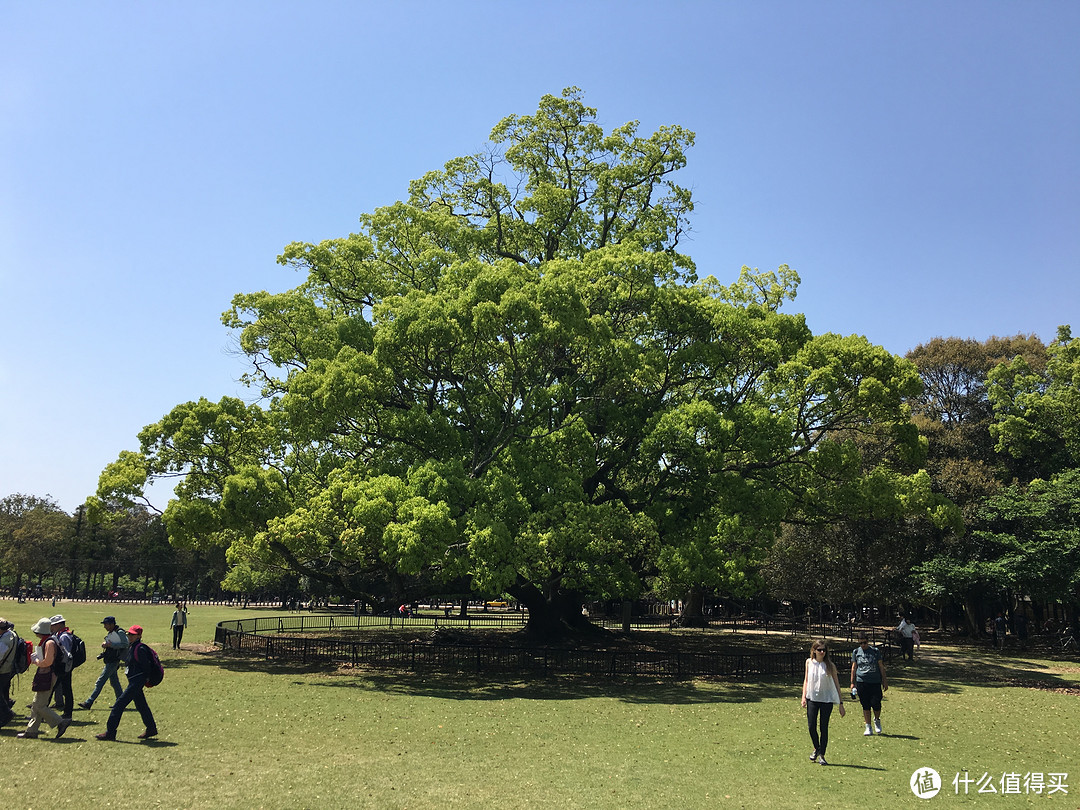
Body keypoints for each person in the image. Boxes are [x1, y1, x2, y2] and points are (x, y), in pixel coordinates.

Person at [96, 624, 157, 741]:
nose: (130, 636)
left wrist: (144, 679)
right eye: (129, 634)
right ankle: (151, 728)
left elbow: (146, 667)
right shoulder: (132, 646)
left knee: (118, 705)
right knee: (141, 705)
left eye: (133, 634)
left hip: (136, 681)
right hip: (135, 681)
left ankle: (110, 732)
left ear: (139, 636)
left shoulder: (140, 648)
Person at [18, 617, 71, 739]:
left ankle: (61, 722)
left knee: (39, 705)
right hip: (46, 674)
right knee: (36, 704)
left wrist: (35, 661)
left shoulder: (49, 643)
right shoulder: (49, 640)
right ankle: (31, 731)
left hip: (47, 675)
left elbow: (48, 661)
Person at [801, 640, 846, 766]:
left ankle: (822, 755)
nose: (822, 652)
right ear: (814, 650)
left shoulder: (830, 666)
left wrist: (841, 704)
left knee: (823, 727)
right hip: (812, 699)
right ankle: (816, 748)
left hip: (826, 700)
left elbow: (837, 685)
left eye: (824, 650)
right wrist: (803, 696)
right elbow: (806, 680)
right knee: (811, 726)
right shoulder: (809, 663)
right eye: (819, 650)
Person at [78, 616, 128, 709]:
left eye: (106, 624)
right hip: (110, 659)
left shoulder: (120, 632)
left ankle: (89, 702)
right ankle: (121, 703)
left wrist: (111, 645)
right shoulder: (112, 632)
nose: (104, 626)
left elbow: (125, 644)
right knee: (115, 683)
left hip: (114, 660)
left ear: (112, 624)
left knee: (100, 682)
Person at [850, 631, 888, 736]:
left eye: (865, 642)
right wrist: (852, 683)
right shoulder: (856, 652)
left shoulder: (875, 651)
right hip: (861, 681)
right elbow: (854, 667)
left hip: (875, 681)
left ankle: (877, 720)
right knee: (865, 704)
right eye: (861, 643)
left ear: (868, 641)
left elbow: (881, 666)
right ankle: (868, 726)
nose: (863, 645)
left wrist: (884, 680)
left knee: (876, 703)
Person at [48, 614, 74, 719]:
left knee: (54, 689)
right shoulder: (63, 634)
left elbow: (65, 654)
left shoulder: (63, 636)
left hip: (62, 667)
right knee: (66, 690)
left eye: (53, 625)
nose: (51, 627)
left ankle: (40, 710)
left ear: (59, 624)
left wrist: (58, 665)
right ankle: (67, 713)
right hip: (65, 667)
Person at [0, 618, 17, 725]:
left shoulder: (4, 641)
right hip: (7, 670)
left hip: (2, 670)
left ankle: (6, 714)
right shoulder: (11, 635)